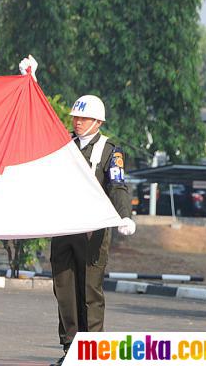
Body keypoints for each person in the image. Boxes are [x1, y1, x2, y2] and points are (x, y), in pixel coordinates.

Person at [43, 90, 136, 366]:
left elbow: (117, 185)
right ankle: (70, 350)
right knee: (64, 288)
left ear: (98, 121)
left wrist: (125, 215)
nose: (78, 122)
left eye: (84, 118)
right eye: (75, 117)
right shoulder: (64, 146)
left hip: (92, 232)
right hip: (64, 228)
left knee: (89, 291)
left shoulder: (109, 151)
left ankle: (92, 353)